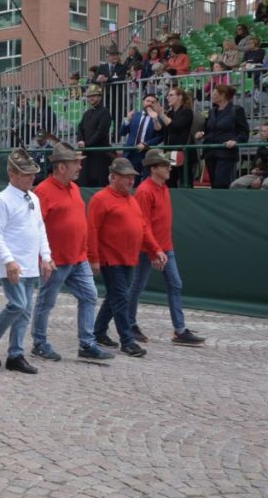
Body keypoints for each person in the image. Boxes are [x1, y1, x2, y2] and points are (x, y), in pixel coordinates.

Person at [30, 143, 115, 362]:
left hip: (78, 258)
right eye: (75, 163)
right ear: (61, 167)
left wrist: (87, 253)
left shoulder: (74, 188)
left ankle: (87, 344)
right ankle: (39, 343)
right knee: (46, 303)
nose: (80, 166)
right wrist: (43, 258)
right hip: (55, 261)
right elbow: (34, 228)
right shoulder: (42, 191)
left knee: (90, 296)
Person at [0, 149, 55, 375]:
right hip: (12, 263)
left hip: (29, 262)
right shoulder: (1, 200)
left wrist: (46, 256)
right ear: (12, 174)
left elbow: (40, 228)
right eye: (25, 174)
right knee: (19, 304)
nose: (31, 178)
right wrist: (8, 261)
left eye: (32, 174)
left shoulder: (33, 198)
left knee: (26, 310)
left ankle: (15, 354)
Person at [125, 149, 206, 345]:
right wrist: (154, 251)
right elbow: (144, 225)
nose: (169, 168)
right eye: (164, 165)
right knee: (137, 286)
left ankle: (180, 330)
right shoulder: (145, 191)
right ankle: (129, 325)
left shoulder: (164, 188)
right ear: (153, 169)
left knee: (174, 285)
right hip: (149, 249)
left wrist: (161, 249)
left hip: (165, 248)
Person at [90, 159, 167, 357]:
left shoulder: (131, 200)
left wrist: (156, 250)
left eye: (132, 177)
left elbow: (143, 228)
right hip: (111, 259)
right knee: (120, 299)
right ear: (113, 177)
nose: (131, 181)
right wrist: (94, 258)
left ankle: (98, 331)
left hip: (128, 258)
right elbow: (92, 230)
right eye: (126, 177)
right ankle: (127, 340)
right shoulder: (100, 199)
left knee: (115, 297)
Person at [196, 84, 250, 188]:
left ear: (223, 95)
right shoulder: (212, 111)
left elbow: (244, 132)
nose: (211, 96)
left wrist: (235, 140)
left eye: (215, 94)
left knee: (222, 182)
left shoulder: (236, 110)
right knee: (214, 184)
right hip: (210, 152)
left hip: (226, 153)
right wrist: (201, 133)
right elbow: (207, 129)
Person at [150, 88, 199, 187]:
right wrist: (155, 118)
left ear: (180, 97)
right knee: (170, 181)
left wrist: (161, 114)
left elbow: (176, 126)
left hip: (183, 152)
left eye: (171, 95)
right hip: (170, 152)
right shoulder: (170, 113)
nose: (168, 98)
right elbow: (159, 129)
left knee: (185, 182)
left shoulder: (187, 112)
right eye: (167, 95)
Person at [119, 94, 163, 178]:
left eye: (153, 102)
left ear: (156, 104)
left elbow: (160, 137)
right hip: (131, 152)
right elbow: (122, 133)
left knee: (146, 179)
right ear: (143, 102)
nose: (149, 104)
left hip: (147, 153)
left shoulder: (158, 118)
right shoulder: (134, 115)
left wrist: (146, 144)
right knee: (131, 179)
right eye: (148, 101)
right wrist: (127, 120)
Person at [77, 84, 113, 187]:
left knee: (99, 181)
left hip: (100, 153)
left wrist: (86, 143)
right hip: (87, 153)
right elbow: (80, 128)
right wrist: (81, 140)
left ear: (100, 97)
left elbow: (101, 132)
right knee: (85, 181)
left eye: (94, 95)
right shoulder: (87, 113)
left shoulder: (105, 112)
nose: (91, 98)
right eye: (89, 96)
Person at [230, 122, 268, 189]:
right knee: (235, 185)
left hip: (264, 175)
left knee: (266, 185)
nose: (261, 133)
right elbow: (254, 162)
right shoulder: (262, 146)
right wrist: (253, 170)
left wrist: (262, 177)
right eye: (261, 131)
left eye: (264, 131)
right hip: (260, 174)